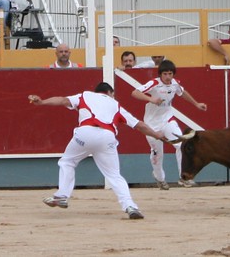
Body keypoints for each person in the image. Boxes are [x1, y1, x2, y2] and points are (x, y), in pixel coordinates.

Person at [28, 82, 165, 220]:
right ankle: (130, 206)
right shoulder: (115, 104)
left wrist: (42, 102)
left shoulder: (85, 95)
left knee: (67, 162)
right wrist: (156, 135)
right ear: (111, 93)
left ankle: (62, 195)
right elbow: (139, 125)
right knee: (114, 175)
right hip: (107, 138)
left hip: (85, 133)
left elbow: (63, 100)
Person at [131, 60, 207, 190]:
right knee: (158, 152)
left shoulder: (175, 83)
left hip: (167, 119)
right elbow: (135, 92)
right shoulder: (154, 83)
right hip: (152, 123)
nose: (167, 77)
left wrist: (196, 104)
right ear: (160, 74)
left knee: (181, 144)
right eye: (165, 74)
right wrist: (151, 99)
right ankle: (159, 178)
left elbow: (182, 92)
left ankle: (184, 178)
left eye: (170, 74)